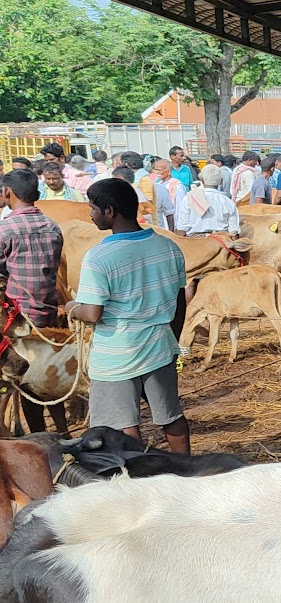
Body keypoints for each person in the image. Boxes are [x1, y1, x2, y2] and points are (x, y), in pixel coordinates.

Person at [64, 177, 189, 454]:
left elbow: (93, 313)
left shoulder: (99, 257)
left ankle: (133, 482)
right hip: (160, 346)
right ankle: (186, 469)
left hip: (116, 354)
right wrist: (173, 341)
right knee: (171, 416)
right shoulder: (169, 247)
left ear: (109, 211)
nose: (90, 214)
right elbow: (180, 301)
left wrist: (72, 308)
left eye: (92, 208)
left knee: (122, 424)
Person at [0, 169, 64, 329]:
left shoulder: (4, 229)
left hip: (16, 319)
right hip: (49, 313)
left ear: (7, 192)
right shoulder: (52, 226)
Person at [176, 164, 241, 236]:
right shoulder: (227, 201)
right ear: (220, 182)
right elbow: (234, 231)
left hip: (195, 242)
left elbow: (182, 227)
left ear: (202, 180)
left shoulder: (189, 197)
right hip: (221, 241)